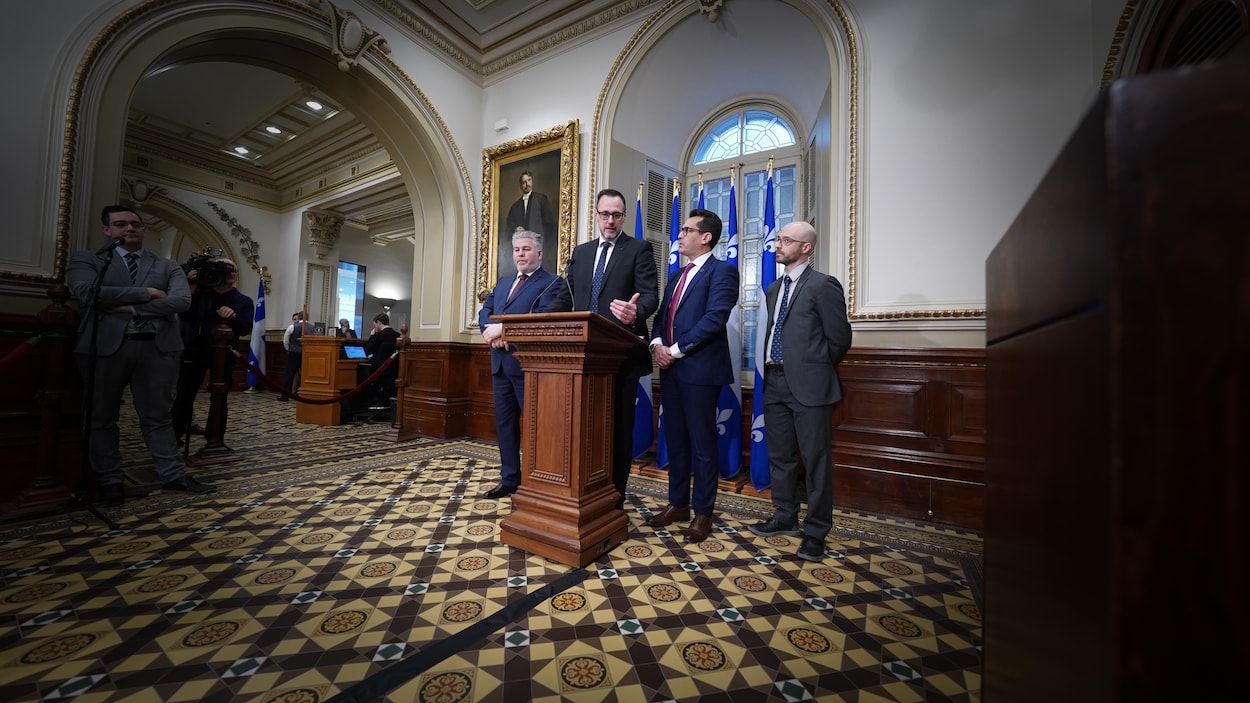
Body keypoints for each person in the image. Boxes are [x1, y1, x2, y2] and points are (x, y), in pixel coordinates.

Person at [65, 205, 213, 501]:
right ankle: (109, 480)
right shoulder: (89, 260)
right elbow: (87, 293)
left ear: (143, 230)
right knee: (101, 416)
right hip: (105, 347)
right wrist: (148, 293)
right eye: (121, 224)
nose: (129, 228)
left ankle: (173, 476)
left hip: (157, 348)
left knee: (158, 415)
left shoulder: (167, 266)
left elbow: (181, 301)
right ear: (107, 229)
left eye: (135, 224)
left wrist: (128, 307)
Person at [747, 221, 852, 562]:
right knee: (781, 456)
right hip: (774, 382)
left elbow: (839, 339)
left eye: (786, 240)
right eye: (778, 239)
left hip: (810, 386)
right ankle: (785, 516)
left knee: (816, 460)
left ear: (806, 247)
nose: (778, 244)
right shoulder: (774, 288)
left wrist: (813, 368)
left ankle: (816, 531)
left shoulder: (823, 285)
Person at [647, 209, 739, 542]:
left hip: (699, 371)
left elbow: (714, 319)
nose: (680, 235)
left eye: (687, 230)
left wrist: (673, 350)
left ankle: (703, 513)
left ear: (706, 237)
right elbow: (662, 317)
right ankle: (677, 504)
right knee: (676, 439)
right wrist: (657, 344)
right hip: (671, 371)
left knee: (702, 444)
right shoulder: (676, 276)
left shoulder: (723, 272)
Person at [567, 188, 659, 510]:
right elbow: (566, 296)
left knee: (617, 431)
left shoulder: (638, 249)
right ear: (596, 215)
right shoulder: (581, 252)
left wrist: (637, 312)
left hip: (621, 358)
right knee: (585, 429)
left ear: (624, 217)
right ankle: (585, 492)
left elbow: (651, 295)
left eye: (616, 215)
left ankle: (615, 498)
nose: (610, 220)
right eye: (605, 214)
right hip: (581, 358)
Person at [478, 231, 569, 499]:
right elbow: (486, 311)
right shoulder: (503, 282)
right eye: (517, 249)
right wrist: (491, 333)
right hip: (500, 364)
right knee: (505, 425)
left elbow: (542, 316)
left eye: (526, 249)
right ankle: (509, 478)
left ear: (539, 254)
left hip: (529, 366)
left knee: (535, 427)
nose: (520, 254)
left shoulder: (553, 283)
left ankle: (535, 479)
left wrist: (504, 331)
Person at [170, 257, 254, 446]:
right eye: (224, 268)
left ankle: (215, 440)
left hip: (224, 354)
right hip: (196, 350)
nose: (230, 272)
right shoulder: (202, 296)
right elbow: (186, 316)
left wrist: (233, 317)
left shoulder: (243, 301)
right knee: (184, 396)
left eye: (233, 269)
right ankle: (173, 438)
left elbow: (245, 329)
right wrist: (191, 287)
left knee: (220, 397)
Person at [504, 170, 557, 239]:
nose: (527, 184)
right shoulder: (515, 207)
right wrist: (515, 229)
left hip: (538, 241)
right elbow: (509, 226)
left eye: (529, 180)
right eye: (524, 182)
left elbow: (550, 223)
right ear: (520, 185)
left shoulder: (541, 199)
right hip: (522, 242)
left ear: (532, 181)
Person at [363, 312, 401, 405]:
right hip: (394, 371)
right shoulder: (398, 336)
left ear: (379, 322)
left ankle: (367, 402)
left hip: (379, 371)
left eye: (375, 324)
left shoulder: (379, 335)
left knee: (361, 372)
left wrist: (372, 335)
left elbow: (368, 350)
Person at [280, 311, 305, 401]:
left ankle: (285, 396)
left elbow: (286, 340)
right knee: (305, 374)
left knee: (289, 374)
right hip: (306, 354)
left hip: (293, 352)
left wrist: (289, 349)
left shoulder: (292, 327)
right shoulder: (312, 327)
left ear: (299, 317)